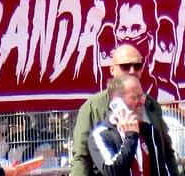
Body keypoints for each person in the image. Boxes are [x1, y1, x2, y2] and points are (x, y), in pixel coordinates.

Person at [70, 45, 177, 176]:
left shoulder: (151, 105)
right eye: (125, 66)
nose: (132, 71)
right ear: (112, 70)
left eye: (137, 66)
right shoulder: (93, 107)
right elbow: (82, 158)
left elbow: (165, 151)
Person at [88, 73, 181, 176]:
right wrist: (130, 137)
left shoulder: (150, 131)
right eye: (135, 97)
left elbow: (162, 169)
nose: (141, 101)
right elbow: (111, 170)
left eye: (142, 96)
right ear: (117, 103)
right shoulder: (100, 135)